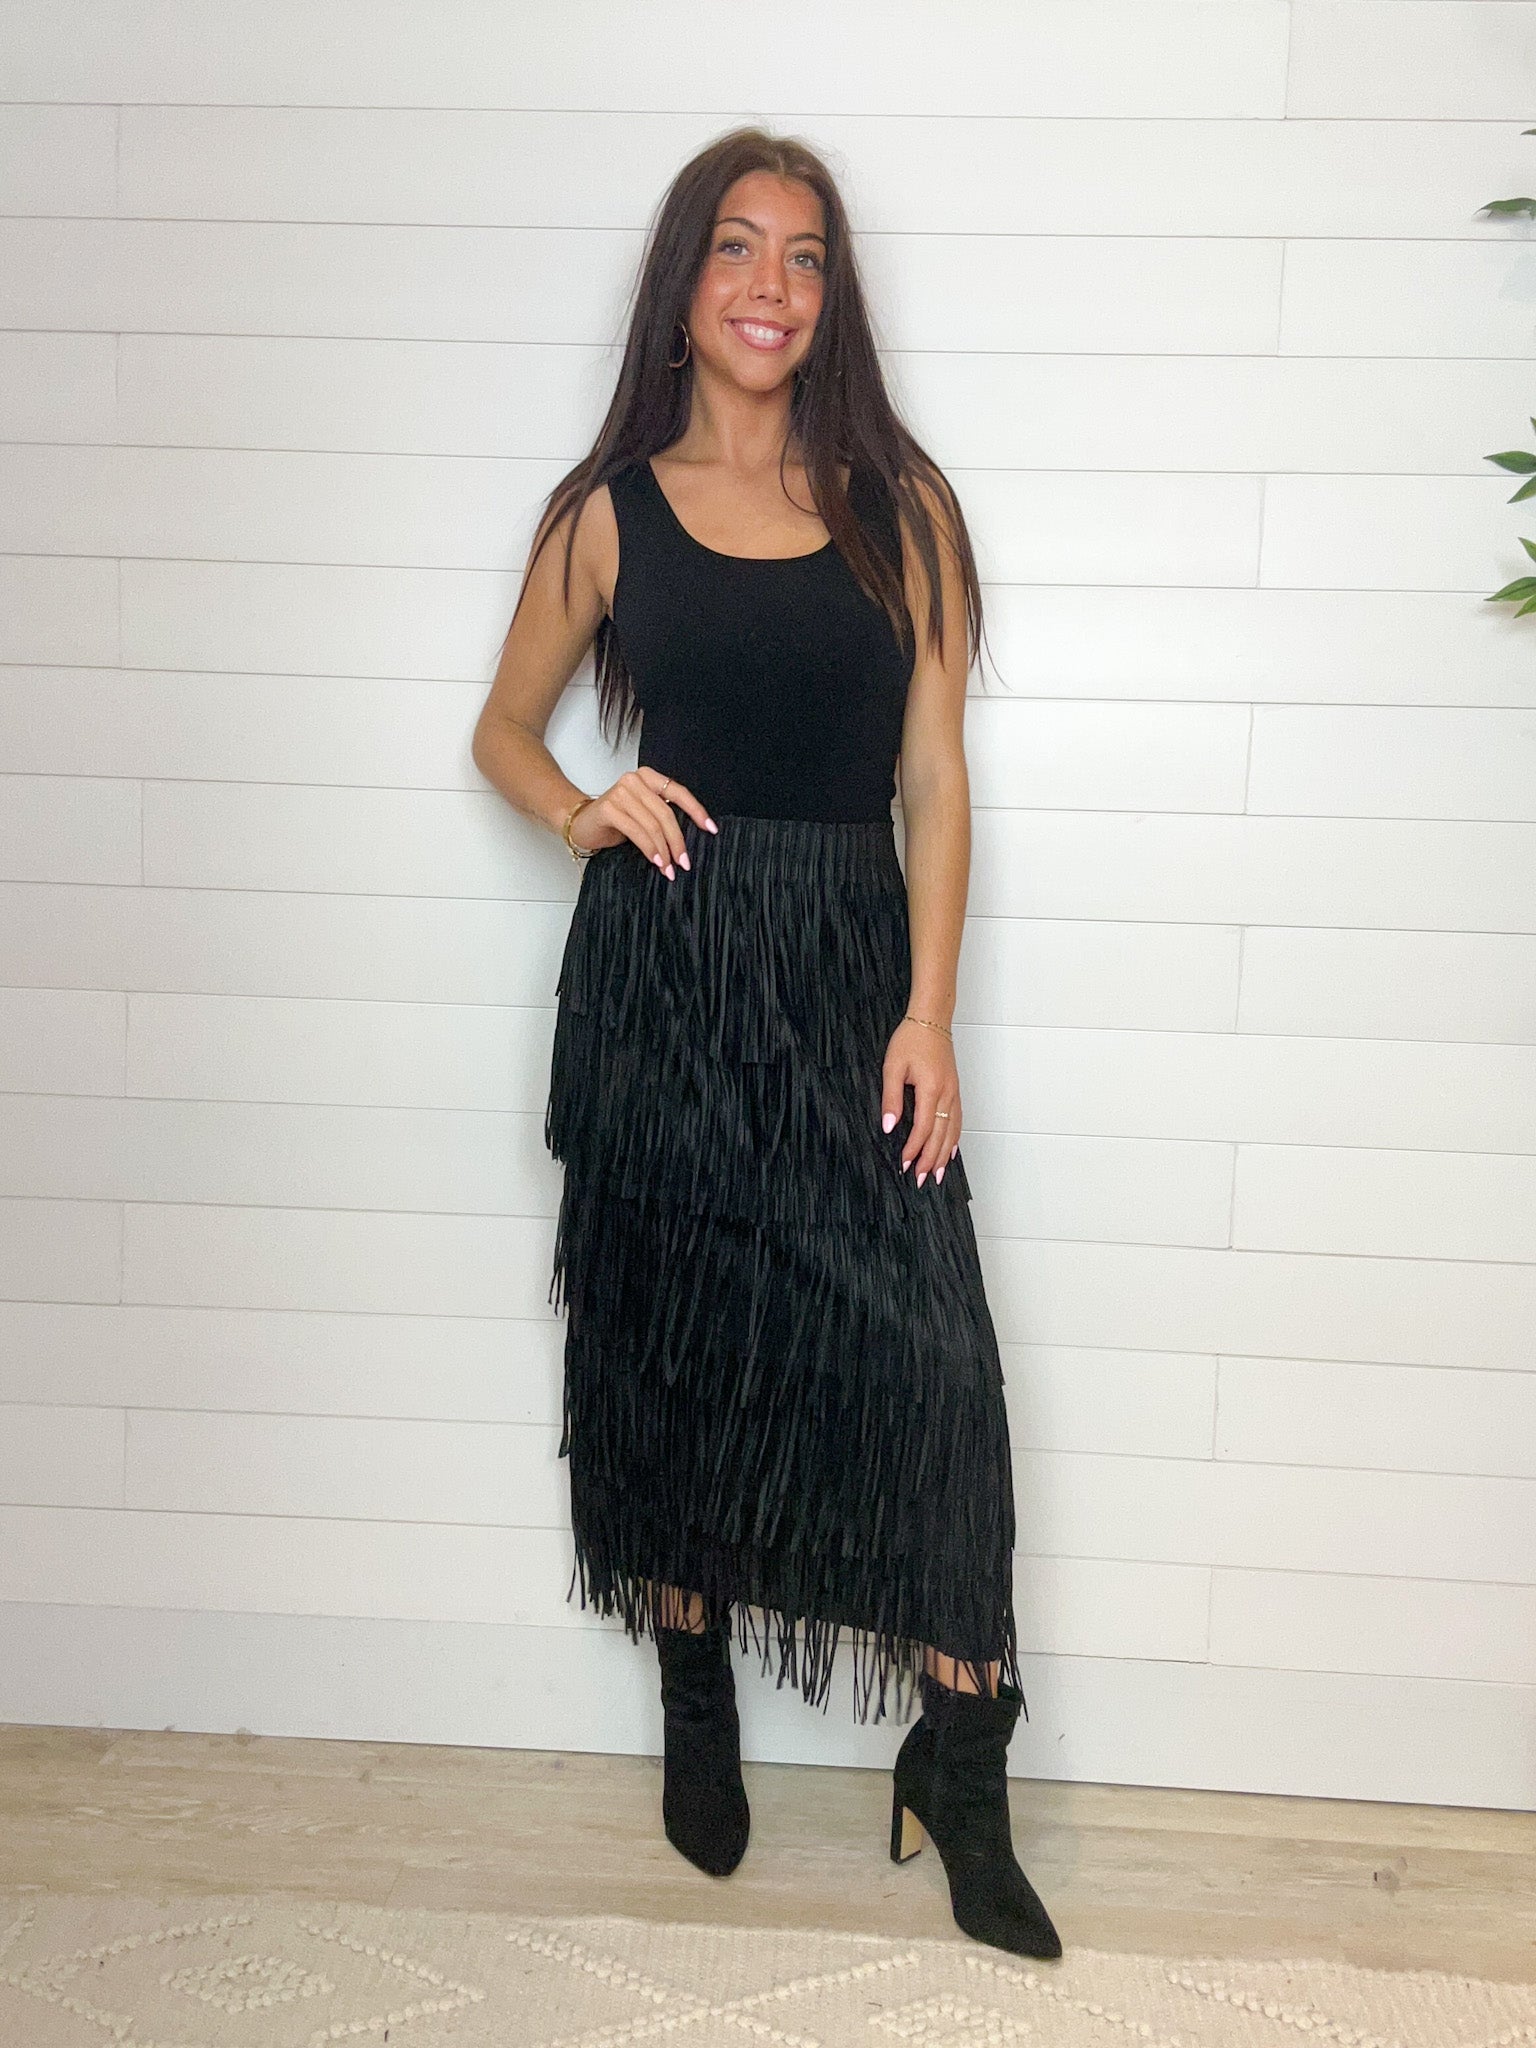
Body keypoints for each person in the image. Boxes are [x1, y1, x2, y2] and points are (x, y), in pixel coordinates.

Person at [472, 126, 1061, 1962]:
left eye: (806, 257)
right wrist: (582, 809)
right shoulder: (607, 511)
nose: (772, 286)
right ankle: (695, 1689)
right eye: (738, 247)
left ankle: (961, 1756)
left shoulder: (904, 505)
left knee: (934, 1367)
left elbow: (935, 780)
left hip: (848, 977)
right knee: (671, 1338)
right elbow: (501, 730)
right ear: (685, 283)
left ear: (832, 297)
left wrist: (928, 1011)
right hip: (664, 971)